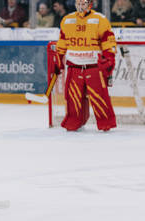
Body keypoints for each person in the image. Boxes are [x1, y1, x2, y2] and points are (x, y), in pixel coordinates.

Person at [54, 0, 117, 131]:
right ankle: (74, 122)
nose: (80, 7)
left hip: (93, 66)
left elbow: (108, 40)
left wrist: (109, 57)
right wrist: (58, 58)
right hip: (74, 66)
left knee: (100, 97)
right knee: (73, 98)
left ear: (90, 4)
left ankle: (106, 123)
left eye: (83, 4)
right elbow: (62, 42)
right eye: (78, 3)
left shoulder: (100, 19)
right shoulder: (67, 20)